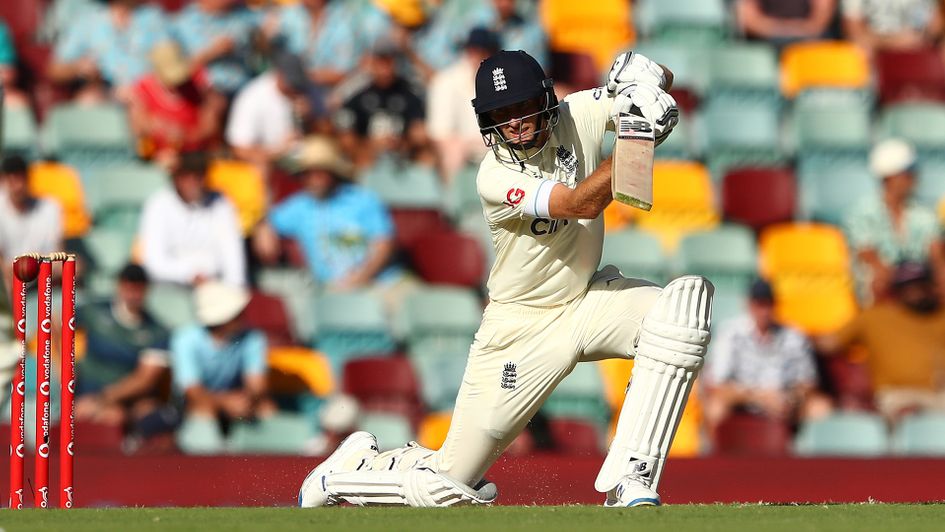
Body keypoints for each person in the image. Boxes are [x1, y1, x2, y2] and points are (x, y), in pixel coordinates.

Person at [298, 50, 709, 509]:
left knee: (681, 309)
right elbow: (579, 205)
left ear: (547, 100)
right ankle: (343, 475)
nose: (512, 123)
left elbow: (648, 93)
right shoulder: (493, 175)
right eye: (499, 114)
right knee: (445, 487)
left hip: (587, 301)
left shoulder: (579, 112)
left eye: (521, 108)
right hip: (519, 329)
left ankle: (632, 478)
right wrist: (635, 138)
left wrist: (648, 83)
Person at [253, 137, 399, 293]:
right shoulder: (299, 206)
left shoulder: (364, 200)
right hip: (332, 290)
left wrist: (359, 279)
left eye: (319, 173)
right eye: (307, 174)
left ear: (332, 173)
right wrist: (263, 227)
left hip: (383, 282)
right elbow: (268, 221)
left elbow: (384, 245)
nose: (313, 180)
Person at [817, 262, 945, 422]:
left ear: (931, 286)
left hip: (940, 394)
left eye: (921, 285)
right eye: (908, 287)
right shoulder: (874, 317)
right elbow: (828, 344)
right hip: (900, 396)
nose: (915, 292)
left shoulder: (940, 316)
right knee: (913, 418)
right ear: (896, 291)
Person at [703, 279, 832, 438]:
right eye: (759, 304)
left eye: (768, 304)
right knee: (715, 407)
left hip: (785, 401)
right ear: (749, 305)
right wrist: (759, 398)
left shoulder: (793, 335)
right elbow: (717, 384)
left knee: (820, 408)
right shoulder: (730, 333)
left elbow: (809, 382)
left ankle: (803, 458)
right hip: (742, 401)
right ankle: (715, 458)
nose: (764, 311)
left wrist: (792, 398)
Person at [171, 281, 274, 450]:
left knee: (267, 408)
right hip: (190, 408)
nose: (244, 314)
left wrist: (247, 401)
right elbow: (192, 392)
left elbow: (257, 385)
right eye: (237, 312)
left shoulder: (253, 338)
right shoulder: (185, 339)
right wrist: (225, 403)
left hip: (236, 402)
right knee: (203, 410)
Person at [845, 139, 944, 302]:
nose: (914, 177)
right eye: (908, 172)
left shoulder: (924, 214)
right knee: (878, 280)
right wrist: (903, 281)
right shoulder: (862, 213)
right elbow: (870, 258)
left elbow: (936, 255)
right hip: (887, 287)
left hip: (919, 284)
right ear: (890, 176)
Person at [75, 264, 170, 430]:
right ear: (119, 286)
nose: (133, 294)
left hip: (126, 399)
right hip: (86, 392)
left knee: (150, 414)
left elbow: (144, 379)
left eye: (138, 289)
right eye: (128, 287)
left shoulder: (157, 332)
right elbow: (55, 323)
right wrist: (63, 370)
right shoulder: (94, 311)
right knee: (109, 417)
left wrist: (101, 399)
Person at [138, 151, 246, 286]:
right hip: (169, 289)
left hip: (214, 289)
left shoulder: (221, 204)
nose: (193, 181)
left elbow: (233, 261)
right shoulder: (158, 205)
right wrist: (189, 274)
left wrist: (233, 291)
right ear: (176, 177)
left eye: (199, 175)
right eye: (186, 175)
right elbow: (154, 262)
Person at [48, 0, 170, 103]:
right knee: (88, 100)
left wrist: (146, 88)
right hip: (107, 93)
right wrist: (79, 67)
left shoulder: (153, 17)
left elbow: (171, 62)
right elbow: (55, 70)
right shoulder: (88, 22)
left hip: (149, 93)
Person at [128, 41, 227, 169]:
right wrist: (158, 128)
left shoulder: (199, 84)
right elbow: (139, 128)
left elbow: (210, 127)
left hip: (198, 156)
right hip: (160, 158)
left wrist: (185, 136)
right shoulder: (143, 89)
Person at [334, 42, 428, 169]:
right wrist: (370, 145)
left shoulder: (409, 92)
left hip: (402, 154)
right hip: (368, 154)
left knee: (426, 157)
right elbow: (346, 133)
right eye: (380, 62)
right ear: (372, 63)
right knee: (361, 158)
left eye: (389, 62)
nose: (385, 68)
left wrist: (402, 143)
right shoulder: (358, 91)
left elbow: (419, 132)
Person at [225, 52, 323, 171]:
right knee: (262, 168)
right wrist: (278, 151)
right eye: (292, 82)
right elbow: (239, 149)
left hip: (302, 162)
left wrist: (311, 118)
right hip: (269, 164)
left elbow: (327, 129)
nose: (295, 87)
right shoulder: (252, 97)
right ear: (278, 74)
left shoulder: (306, 91)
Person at [427, 27, 500, 181]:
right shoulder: (445, 81)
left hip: (495, 148)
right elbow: (440, 133)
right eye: (474, 50)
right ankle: (452, 202)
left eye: (484, 51)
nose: (478, 56)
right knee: (453, 152)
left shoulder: (501, 81)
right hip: (462, 153)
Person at [171, 0, 261, 96]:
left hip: (245, 89)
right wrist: (211, 53)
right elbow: (175, 71)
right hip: (202, 95)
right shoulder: (182, 23)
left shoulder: (248, 15)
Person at [0, 155, 63, 285]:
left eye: (20, 179)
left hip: (43, 281)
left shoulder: (50, 207)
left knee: (74, 267)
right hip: (10, 284)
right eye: (12, 181)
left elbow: (57, 255)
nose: (17, 187)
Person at [842, 0, 942, 53]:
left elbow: (936, 29)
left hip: (920, 67)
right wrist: (895, 42)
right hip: (874, 75)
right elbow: (854, 36)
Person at [735, 0, 837, 46]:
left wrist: (790, 31)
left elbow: (819, 23)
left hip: (809, 45)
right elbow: (748, 20)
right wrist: (784, 31)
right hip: (764, 45)